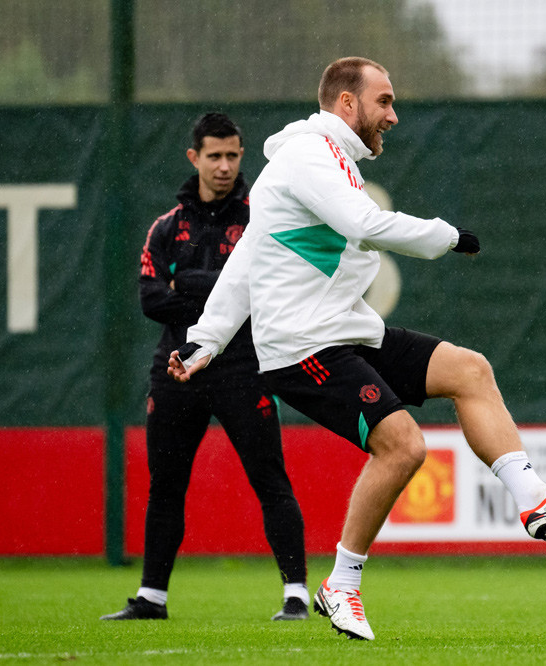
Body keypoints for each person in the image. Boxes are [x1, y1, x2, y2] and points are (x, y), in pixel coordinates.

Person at [168, 59, 546, 640]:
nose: (393, 115)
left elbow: (245, 262)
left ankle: (535, 501)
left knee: (469, 370)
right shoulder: (309, 155)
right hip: (302, 344)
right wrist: (447, 236)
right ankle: (341, 585)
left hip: (345, 329)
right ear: (348, 105)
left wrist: (205, 340)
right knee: (403, 447)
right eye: (384, 101)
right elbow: (362, 224)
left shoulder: (325, 160)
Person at [101, 113, 309, 622]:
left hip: (243, 368)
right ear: (194, 157)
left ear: (243, 156)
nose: (224, 166)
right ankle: (151, 598)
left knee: (270, 480)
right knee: (165, 484)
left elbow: (264, 293)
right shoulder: (166, 227)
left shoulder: (264, 217)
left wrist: (187, 286)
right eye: (213, 155)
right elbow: (151, 300)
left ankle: (297, 596)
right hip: (174, 371)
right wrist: (216, 291)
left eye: (232, 155)